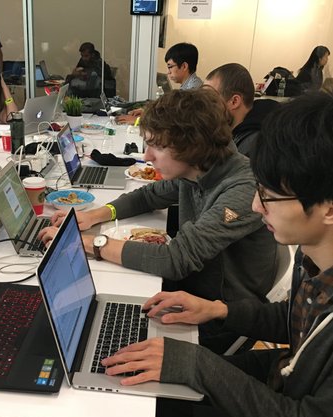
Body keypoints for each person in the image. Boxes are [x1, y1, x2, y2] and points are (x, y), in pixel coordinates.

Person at [101, 89, 333, 417]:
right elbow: (300, 319)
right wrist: (218, 310)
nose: (255, 206)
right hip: (286, 381)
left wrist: (198, 365)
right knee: (145, 390)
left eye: (268, 196)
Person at [41, 89, 278, 353]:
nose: (147, 157)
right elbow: (148, 196)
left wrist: (88, 243)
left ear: (192, 147)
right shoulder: (198, 167)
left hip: (217, 317)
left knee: (100, 339)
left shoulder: (242, 188)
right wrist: (92, 216)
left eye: (158, 146)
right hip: (188, 293)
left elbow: (175, 259)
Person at [117, 42, 202, 125]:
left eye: (170, 67)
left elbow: (174, 119)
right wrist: (147, 112)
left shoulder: (193, 91)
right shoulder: (189, 85)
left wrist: (140, 120)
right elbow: (170, 110)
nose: (168, 72)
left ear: (184, 66)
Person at [205, 63, 280, 157]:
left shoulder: (253, 147)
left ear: (234, 101)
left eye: (210, 99)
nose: (204, 107)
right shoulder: (230, 134)